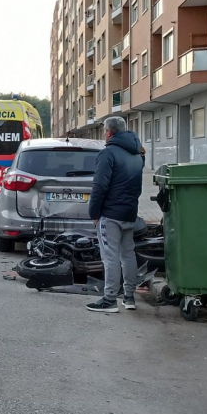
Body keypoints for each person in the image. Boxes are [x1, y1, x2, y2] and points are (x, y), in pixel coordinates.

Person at [86, 117, 144, 313]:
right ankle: (129, 297)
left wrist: (94, 212)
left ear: (109, 133)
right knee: (127, 255)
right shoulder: (137, 155)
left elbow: (100, 186)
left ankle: (109, 299)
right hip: (129, 212)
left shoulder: (108, 153)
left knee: (109, 257)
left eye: (104, 131)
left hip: (110, 214)